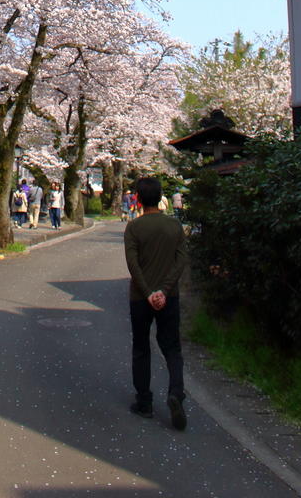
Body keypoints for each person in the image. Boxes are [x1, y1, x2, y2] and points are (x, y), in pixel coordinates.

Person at [123, 175, 187, 430]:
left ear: (138, 198)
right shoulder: (174, 227)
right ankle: (176, 393)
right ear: (161, 198)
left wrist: (149, 292)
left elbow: (133, 264)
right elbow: (181, 261)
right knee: (172, 347)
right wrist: (164, 289)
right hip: (169, 297)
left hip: (140, 297)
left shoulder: (134, 228)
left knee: (141, 347)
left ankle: (145, 402)